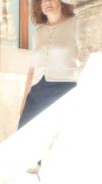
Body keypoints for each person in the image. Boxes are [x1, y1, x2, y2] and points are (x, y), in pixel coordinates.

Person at [18, 0, 80, 128]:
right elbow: (32, 69)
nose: (47, 2)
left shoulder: (76, 23)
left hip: (66, 88)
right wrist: (24, 102)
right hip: (37, 93)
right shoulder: (38, 33)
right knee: (25, 133)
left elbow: (86, 56)